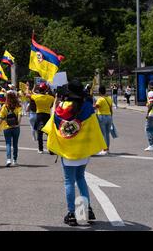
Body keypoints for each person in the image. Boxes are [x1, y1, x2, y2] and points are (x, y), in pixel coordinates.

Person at [42, 79, 107, 227]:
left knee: (69, 182)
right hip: (83, 151)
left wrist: (56, 102)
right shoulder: (87, 107)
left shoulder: (61, 108)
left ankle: (71, 213)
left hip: (67, 151)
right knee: (81, 178)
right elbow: (93, 128)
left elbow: (53, 124)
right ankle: (87, 209)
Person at [0, 92, 22, 167]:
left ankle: (8, 159)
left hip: (7, 127)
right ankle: (15, 160)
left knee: (8, 143)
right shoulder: (18, 106)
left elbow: (1, 118)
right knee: (15, 144)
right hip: (16, 128)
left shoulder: (5, 106)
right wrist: (18, 124)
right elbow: (20, 115)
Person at [29, 83, 54, 154]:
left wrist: (31, 88)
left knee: (39, 133)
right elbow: (53, 99)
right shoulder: (50, 98)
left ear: (39, 89)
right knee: (49, 133)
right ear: (46, 89)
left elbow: (28, 94)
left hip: (39, 115)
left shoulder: (36, 97)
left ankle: (40, 149)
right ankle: (51, 149)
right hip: (47, 116)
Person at [95, 86, 113, 155]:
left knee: (103, 134)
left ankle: (104, 149)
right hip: (109, 116)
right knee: (107, 134)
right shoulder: (109, 99)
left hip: (102, 116)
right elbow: (111, 110)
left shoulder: (100, 99)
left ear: (99, 92)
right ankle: (107, 149)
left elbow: (96, 107)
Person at [145, 80, 153, 152]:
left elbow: (152, 103)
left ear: (149, 86)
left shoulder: (151, 93)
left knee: (147, 129)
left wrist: (147, 113)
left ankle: (152, 145)